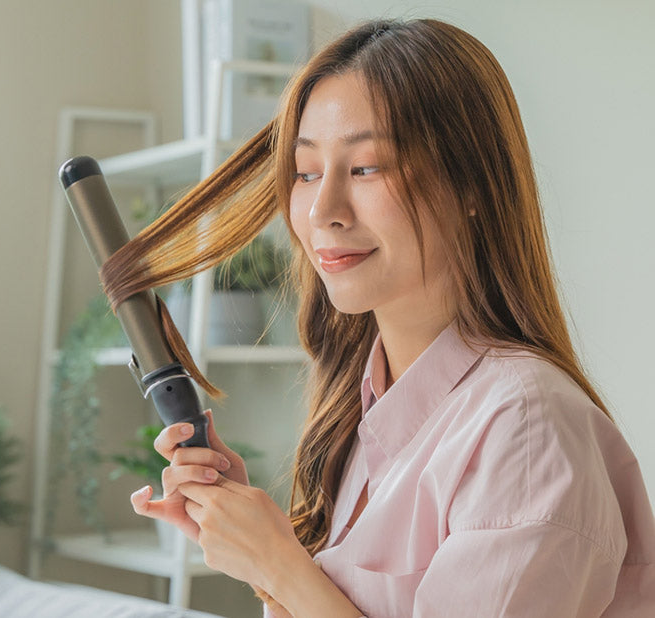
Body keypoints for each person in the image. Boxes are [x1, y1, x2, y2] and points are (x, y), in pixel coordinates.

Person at [99, 18, 655, 617]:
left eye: (366, 168)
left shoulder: (525, 431)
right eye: (307, 173)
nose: (323, 211)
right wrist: (255, 553)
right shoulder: (365, 416)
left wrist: (278, 562)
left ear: (471, 183)